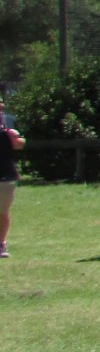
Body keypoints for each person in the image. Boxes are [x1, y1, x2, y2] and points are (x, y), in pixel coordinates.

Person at [0, 95, 23, 258]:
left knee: (3, 211)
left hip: (7, 174)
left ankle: (1, 243)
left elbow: (21, 143)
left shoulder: (10, 120)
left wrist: (17, 140)